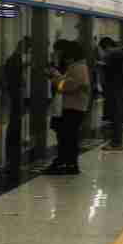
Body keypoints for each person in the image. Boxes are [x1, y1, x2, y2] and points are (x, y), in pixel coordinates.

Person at [48, 40, 90, 174]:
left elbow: (67, 86)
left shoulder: (78, 67)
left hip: (73, 107)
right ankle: (66, 162)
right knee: (67, 137)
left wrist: (55, 78)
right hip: (71, 106)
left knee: (69, 137)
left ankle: (69, 164)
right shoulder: (76, 67)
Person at [97, 35, 123, 151]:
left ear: (106, 46)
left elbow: (110, 70)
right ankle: (116, 142)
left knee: (116, 116)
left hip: (117, 89)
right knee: (118, 115)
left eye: (103, 49)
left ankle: (116, 143)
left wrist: (100, 65)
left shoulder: (112, 53)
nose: (103, 53)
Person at [2, 34, 32, 173]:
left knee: (16, 121)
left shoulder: (16, 59)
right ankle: (12, 150)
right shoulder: (15, 59)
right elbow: (14, 79)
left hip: (16, 94)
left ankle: (14, 147)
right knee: (14, 122)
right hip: (15, 95)